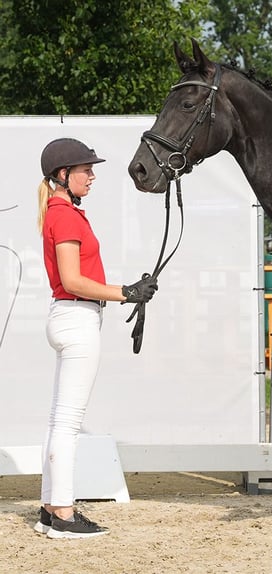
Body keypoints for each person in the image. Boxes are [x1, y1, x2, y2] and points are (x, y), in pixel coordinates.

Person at [32, 138, 158, 539]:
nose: (93, 175)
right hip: (76, 319)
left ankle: (51, 508)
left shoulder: (60, 211)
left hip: (68, 317)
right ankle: (65, 516)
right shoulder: (65, 216)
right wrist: (126, 292)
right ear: (62, 175)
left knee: (59, 422)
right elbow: (72, 280)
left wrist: (126, 291)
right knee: (68, 424)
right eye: (86, 169)